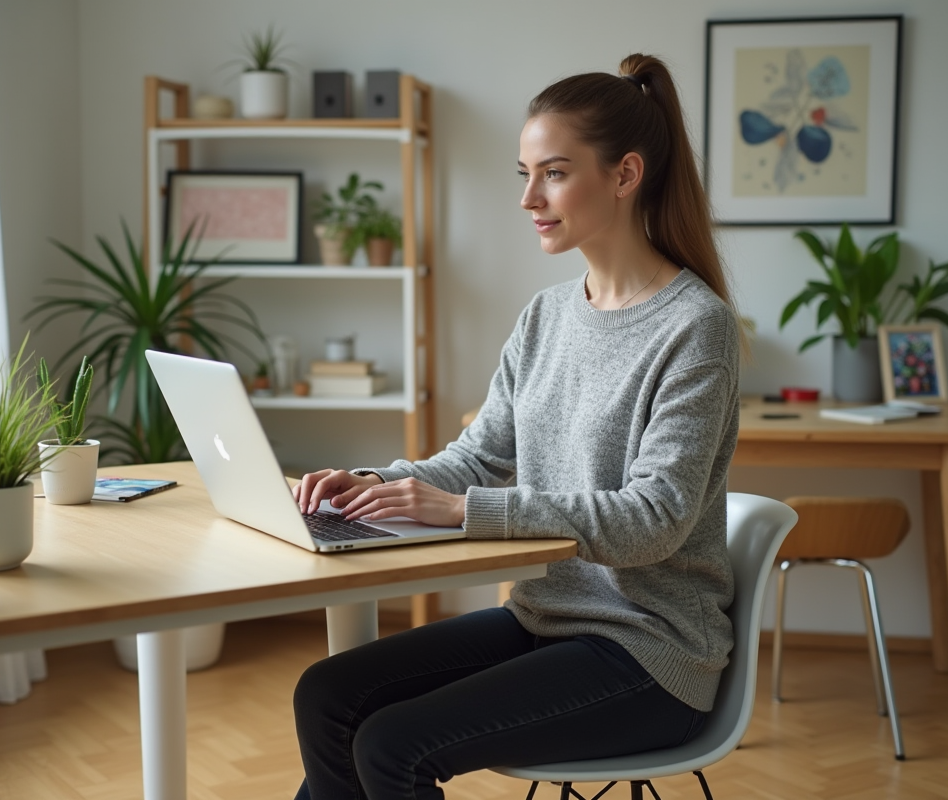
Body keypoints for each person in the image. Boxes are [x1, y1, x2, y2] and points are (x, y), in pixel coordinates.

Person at [290, 53, 742, 800]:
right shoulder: (546, 316)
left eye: (555, 173)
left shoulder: (696, 328)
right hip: (546, 616)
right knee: (326, 696)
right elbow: (481, 454)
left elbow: (655, 522)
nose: (530, 196)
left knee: (392, 746)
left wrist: (465, 514)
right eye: (524, 173)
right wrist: (379, 483)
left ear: (625, 174)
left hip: (648, 650)